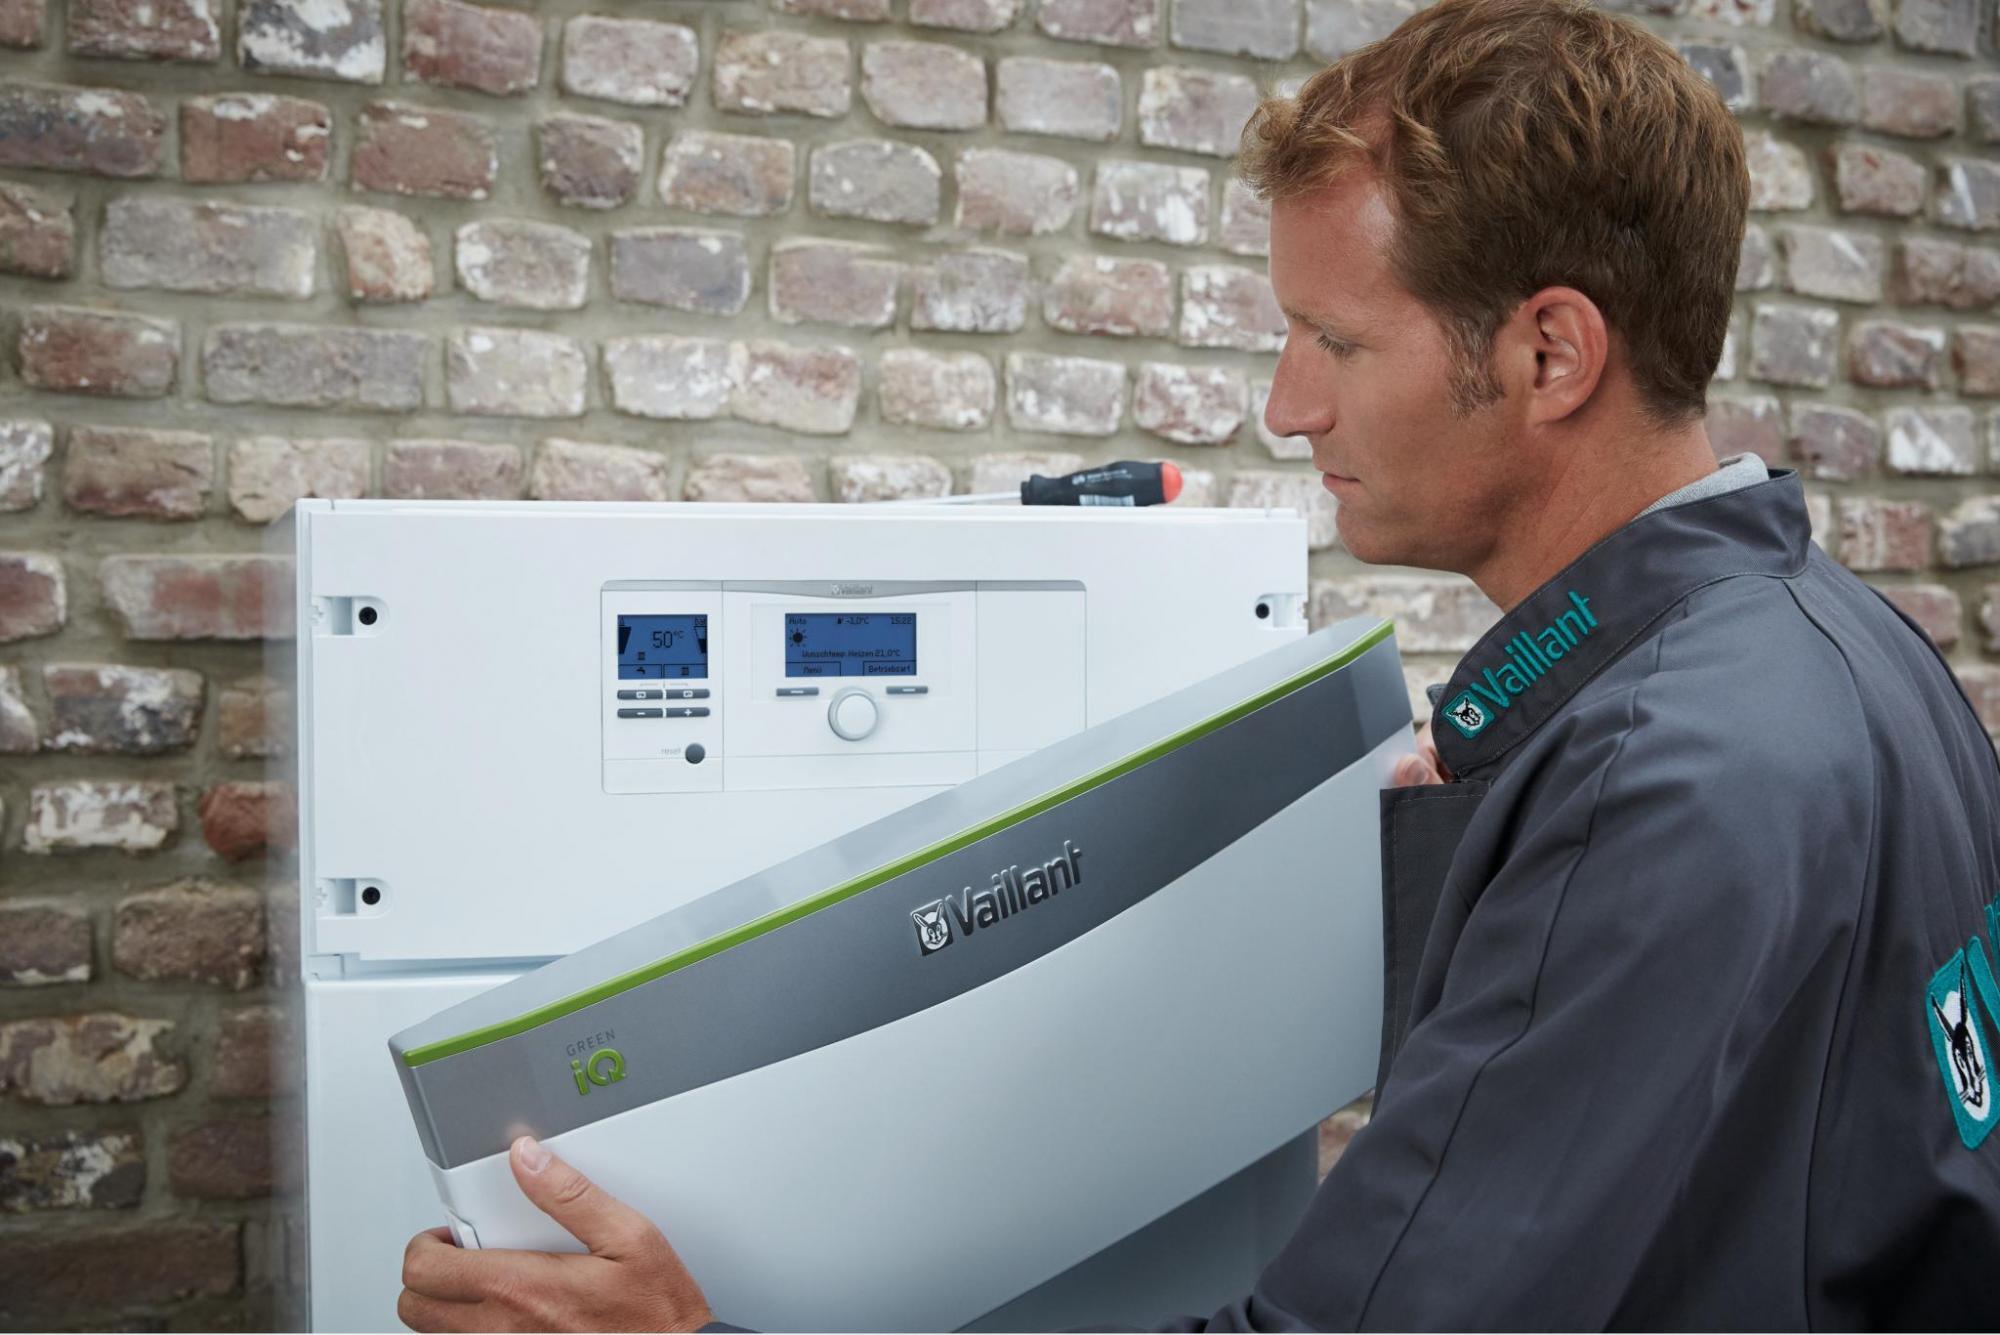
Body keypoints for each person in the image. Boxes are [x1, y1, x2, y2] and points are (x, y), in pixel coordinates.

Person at [397, 0, 2000, 1327]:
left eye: (1338, 341)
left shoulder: (1666, 784)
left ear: (1551, 351)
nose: (1289, 406)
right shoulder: (1855, 656)